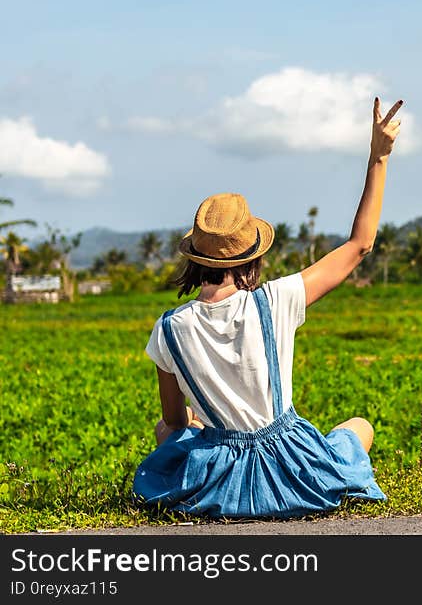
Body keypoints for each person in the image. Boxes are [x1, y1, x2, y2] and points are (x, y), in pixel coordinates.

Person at [132, 96, 403, 519]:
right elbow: (360, 244)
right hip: (297, 472)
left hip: (218, 481)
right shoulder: (276, 299)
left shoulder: (169, 328)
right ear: (253, 257)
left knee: (169, 427)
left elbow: (173, 421)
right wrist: (378, 156)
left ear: (195, 260)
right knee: (359, 428)